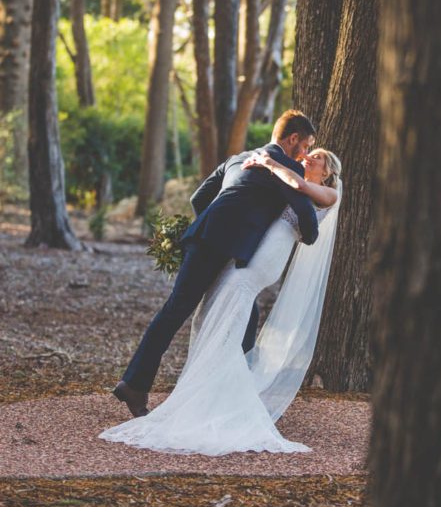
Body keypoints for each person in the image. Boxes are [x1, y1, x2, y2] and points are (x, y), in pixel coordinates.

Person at [100, 148, 342, 455]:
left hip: (267, 258)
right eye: (308, 151)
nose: (309, 156)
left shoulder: (324, 192)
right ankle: (220, 387)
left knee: (232, 299)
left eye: (317, 156)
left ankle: (222, 393)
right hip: (247, 252)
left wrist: (268, 162)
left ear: (328, 171)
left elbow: (300, 188)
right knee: (225, 308)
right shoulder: (285, 175)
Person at [112, 110, 319, 419]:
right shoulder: (285, 167)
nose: (305, 155)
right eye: (306, 146)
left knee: (230, 313)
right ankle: (137, 385)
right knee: (194, 311)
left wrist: (218, 221)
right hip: (229, 248)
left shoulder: (238, 158)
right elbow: (307, 218)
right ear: (293, 140)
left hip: (204, 237)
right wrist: (307, 234)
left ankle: (230, 392)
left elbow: (199, 198)